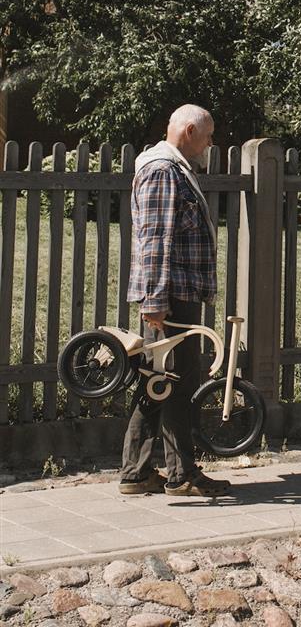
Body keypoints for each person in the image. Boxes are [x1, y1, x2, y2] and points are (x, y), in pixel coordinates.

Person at [119, 104, 232, 497]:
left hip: (177, 294)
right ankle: (178, 474)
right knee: (170, 383)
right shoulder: (163, 170)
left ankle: (140, 473)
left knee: (162, 382)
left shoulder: (175, 168)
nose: (211, 142)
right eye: (209, 134)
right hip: (170, 297)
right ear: (188, 131)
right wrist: (154, 299)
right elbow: (155, 240)